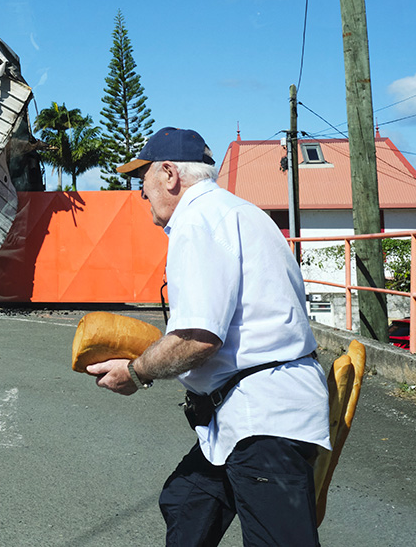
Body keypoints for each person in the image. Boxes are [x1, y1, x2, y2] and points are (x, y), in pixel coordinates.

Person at [87, 127, 330, 547]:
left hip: (263, 420)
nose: (141, 192)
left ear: (168, 174)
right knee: (185, 502)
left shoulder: (196, 221)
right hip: (246, 412)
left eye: (142, 178)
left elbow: (198, 337)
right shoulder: (237, 211)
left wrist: (136, 372)